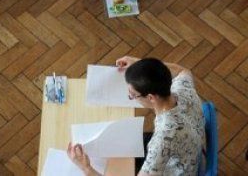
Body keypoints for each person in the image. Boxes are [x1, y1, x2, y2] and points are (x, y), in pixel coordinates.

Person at [68, 56, 205, 175]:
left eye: (133, 95)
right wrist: (140, 65)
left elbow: (161, 146)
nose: (131, 97)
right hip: (187, 147)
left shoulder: (163, 141)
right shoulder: (183, 89)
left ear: (151, 97)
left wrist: (86, 168)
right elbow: (182, 71)